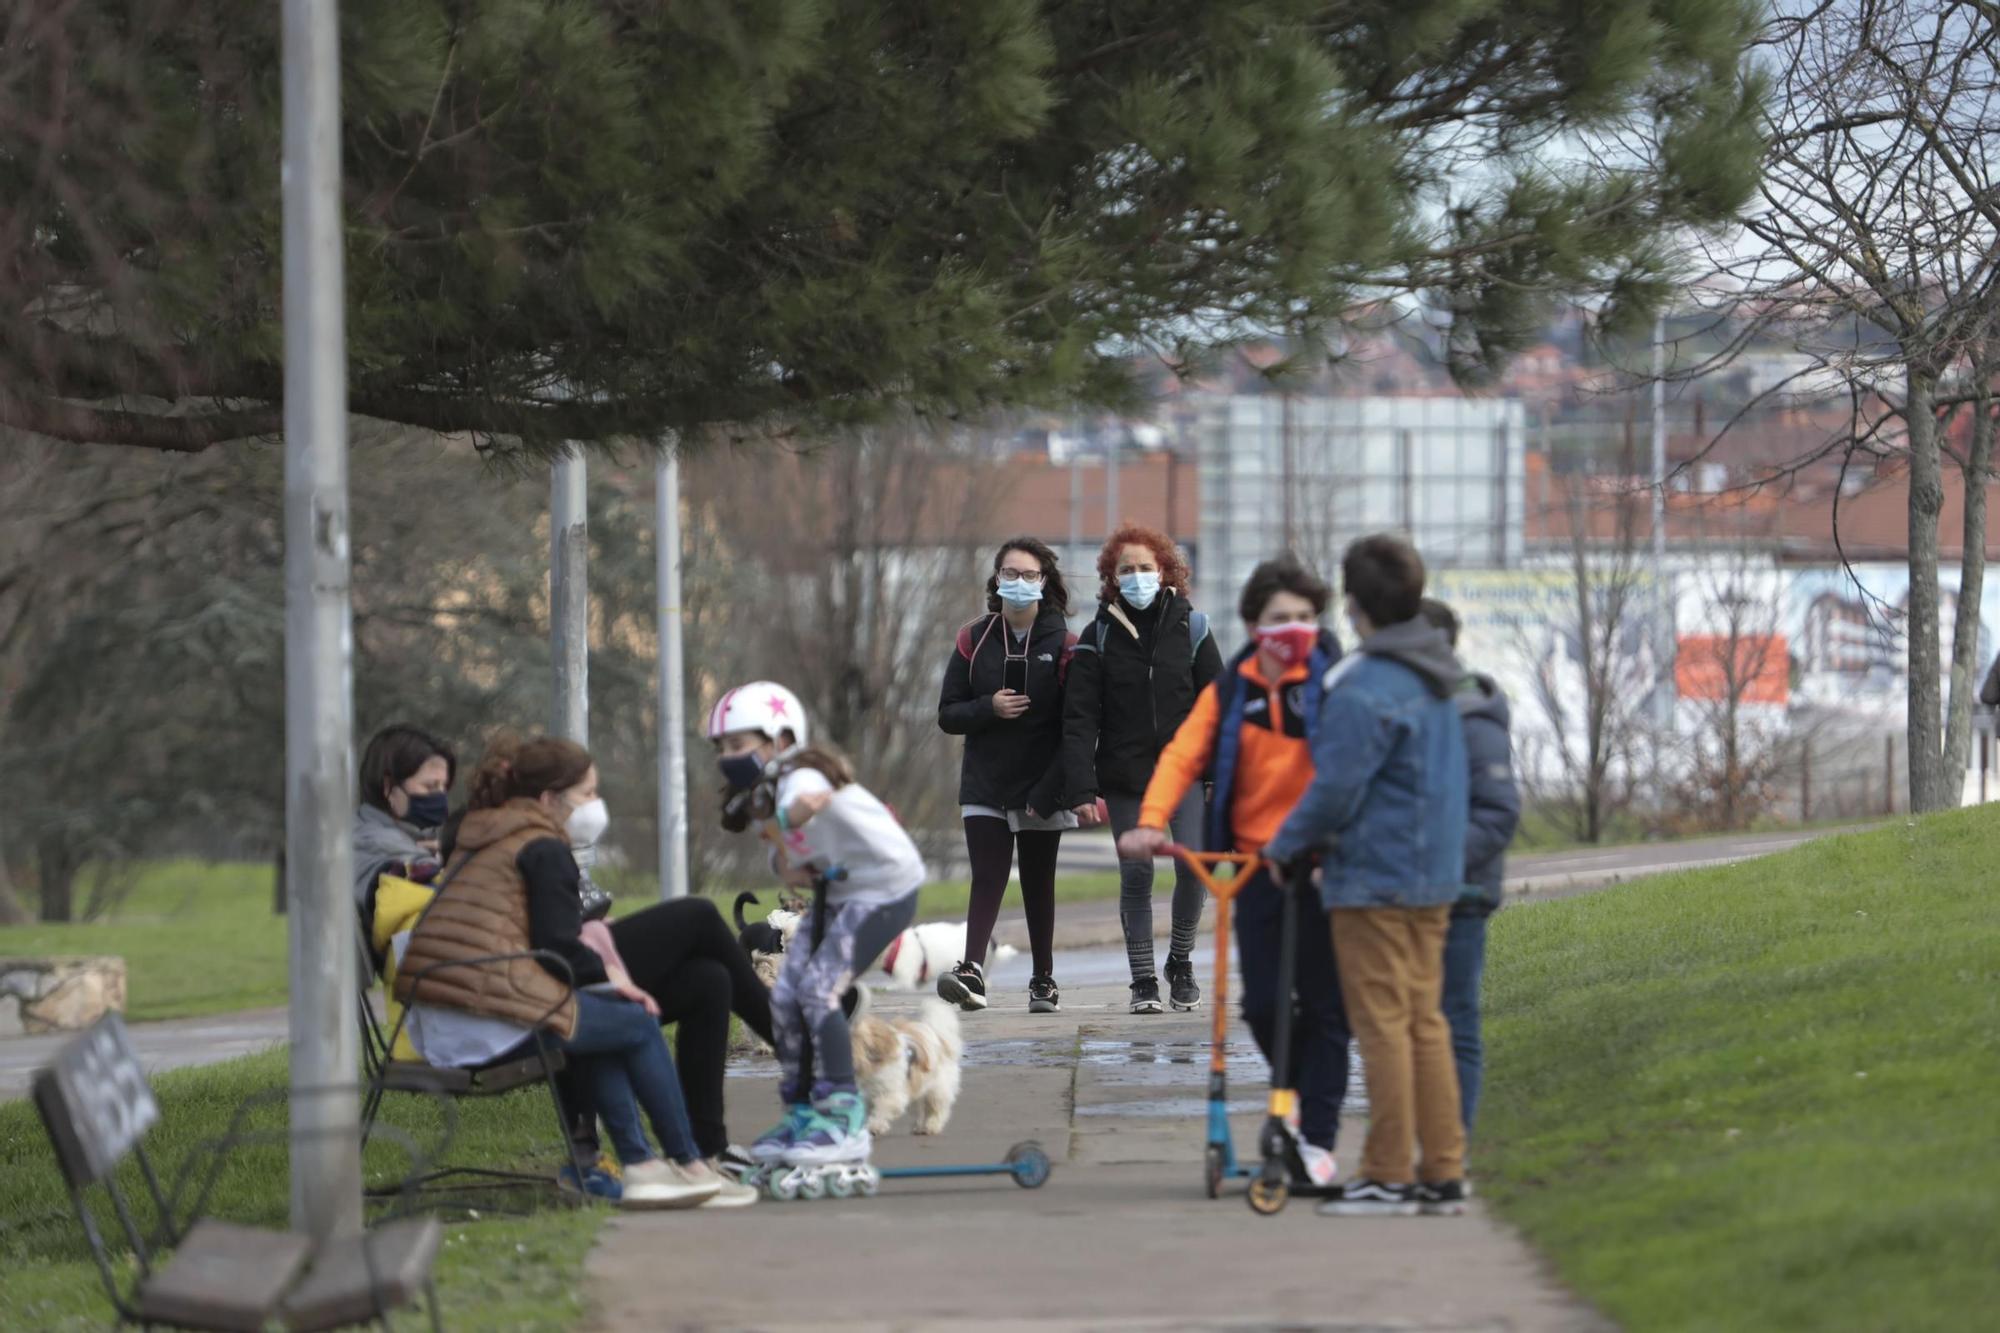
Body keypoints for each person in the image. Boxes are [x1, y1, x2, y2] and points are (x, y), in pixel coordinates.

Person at [394, 735, 752, 1210]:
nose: (595, 805)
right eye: (586, 794)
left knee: (597, 1024)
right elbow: (556, 946)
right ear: (548, 800)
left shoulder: (486, 833)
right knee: (636, 1022)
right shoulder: (542, 847)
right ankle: (689, 1164)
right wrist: (618, 980)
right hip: (483, 1016)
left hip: (448, 1014)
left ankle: (643, 1167)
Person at [1118, 555, 1347, 1189]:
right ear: (1253, 622)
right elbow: (1184, 752)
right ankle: (1294, 1096)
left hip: (1325, 867)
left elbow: (1355, 772)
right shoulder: (1234, 688)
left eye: (1305, 618)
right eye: (1281, 618)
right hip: (1253, 870)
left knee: (1328, 1007)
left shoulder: (1334, 683)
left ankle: (1317, 1141)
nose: (1295, 629)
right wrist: (1151, 818)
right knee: (1265, 1004)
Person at [1263, 535, 1470, 1218]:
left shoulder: (1363, 684)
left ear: (1354, 605)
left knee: (1382, 1024)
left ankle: (1386, 1171)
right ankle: (1442, 1169)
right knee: (1425, 1022)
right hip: (1433, 874)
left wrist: (1285, 842)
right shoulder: (1439, 672)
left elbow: (1336, 789)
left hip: (1375, 877)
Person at [708, 681, 926, 1174]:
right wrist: (785, 850)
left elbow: (809, 800)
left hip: (886, 889)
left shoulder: (799, 773)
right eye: (722, 748)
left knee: (820, 991)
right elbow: (787, 869)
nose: (728, 757)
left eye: (738, 745)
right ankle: (803, 1112)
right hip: (840, 895)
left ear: (780, 740)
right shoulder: (760, 795)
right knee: (785, 995)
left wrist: (789, 817)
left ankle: (841, 1116)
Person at [1064, 523, 1224, 1014]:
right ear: (1112, 579)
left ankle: (1180, 961)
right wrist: (1081, 786)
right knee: (1136, 875)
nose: (1136, 577)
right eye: (1126, 570)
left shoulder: (1192, 627)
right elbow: (1080, 716)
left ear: (1165, 572)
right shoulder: (1098, 636)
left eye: (1145, 568)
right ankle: (1142, 981)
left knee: (1194, 867)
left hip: (1187, 773)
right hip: (1126, 776)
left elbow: (1216, 706)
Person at [935, 536, 1080, 1015]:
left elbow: (1076, 728)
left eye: (1029, 575)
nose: (1019, 583)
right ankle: (972, 970)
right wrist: (989, 707)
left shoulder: (1065, 644)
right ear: (996, 580)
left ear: (1045, 582)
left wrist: (1053, 789)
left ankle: (1043, 978)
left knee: (1039, 882)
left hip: (1042, 783)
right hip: (985, 781)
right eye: (1010, 574)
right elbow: (949, 713)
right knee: (988, 875)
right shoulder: (972, 639)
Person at [1419, 598, 1521, 1137]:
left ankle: (1450, 1143)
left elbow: (1498, 812)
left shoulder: (1470, 710)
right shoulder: (1395, 706)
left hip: (1460, 894)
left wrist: (1435, 863)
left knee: (1454, 1018)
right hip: (1399, 894)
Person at [353, 724, 455, 917]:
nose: (441, 796)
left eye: (444, 786)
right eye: (430, 786)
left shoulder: (413, 841)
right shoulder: (375, 845)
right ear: (389, 788)